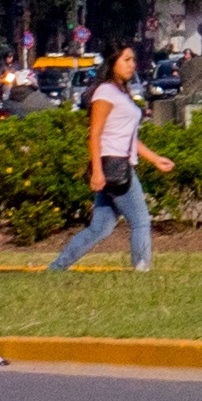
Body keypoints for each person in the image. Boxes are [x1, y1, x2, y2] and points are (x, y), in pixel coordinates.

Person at [47, 47, 154, 276]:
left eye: (133, 59)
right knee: (141, 221)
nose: (131, 64)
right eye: (126, 59)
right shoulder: (105, 92)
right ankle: (142, 270)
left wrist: (156, 159)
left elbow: (130, 137)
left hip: (118, 166)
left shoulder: (121, 92)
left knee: (100, 228)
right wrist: (97, 171)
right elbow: (94, 134)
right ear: (113, 62)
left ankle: (56, 268)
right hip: (113, 167)